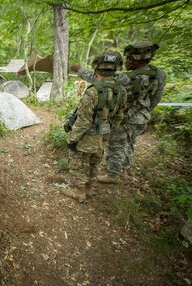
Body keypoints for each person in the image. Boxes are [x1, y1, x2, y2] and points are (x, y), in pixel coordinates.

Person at [72, 41, 166, 183]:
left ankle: (113, 175)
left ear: (138, 60)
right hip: (143, 117)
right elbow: (156, 98)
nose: (127, 62)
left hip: (126, 117)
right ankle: (124, 168)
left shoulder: (126, 78)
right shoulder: (159, 74)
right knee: (129, 141)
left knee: (116, 144)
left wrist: (80, 70)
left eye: (129, 59)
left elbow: (101, 79)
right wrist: (145, 111)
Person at [62, 51, 127, 202]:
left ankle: (79, 191)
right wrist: (107, 133)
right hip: (103, 135)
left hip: (87, 136)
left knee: (79, 162)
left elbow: (83, 121)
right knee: (94, 162)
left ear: (96, 68)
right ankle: (89, 189)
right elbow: (119, 117)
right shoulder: (121, 91)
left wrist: (72, 139)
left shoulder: (93, 91)